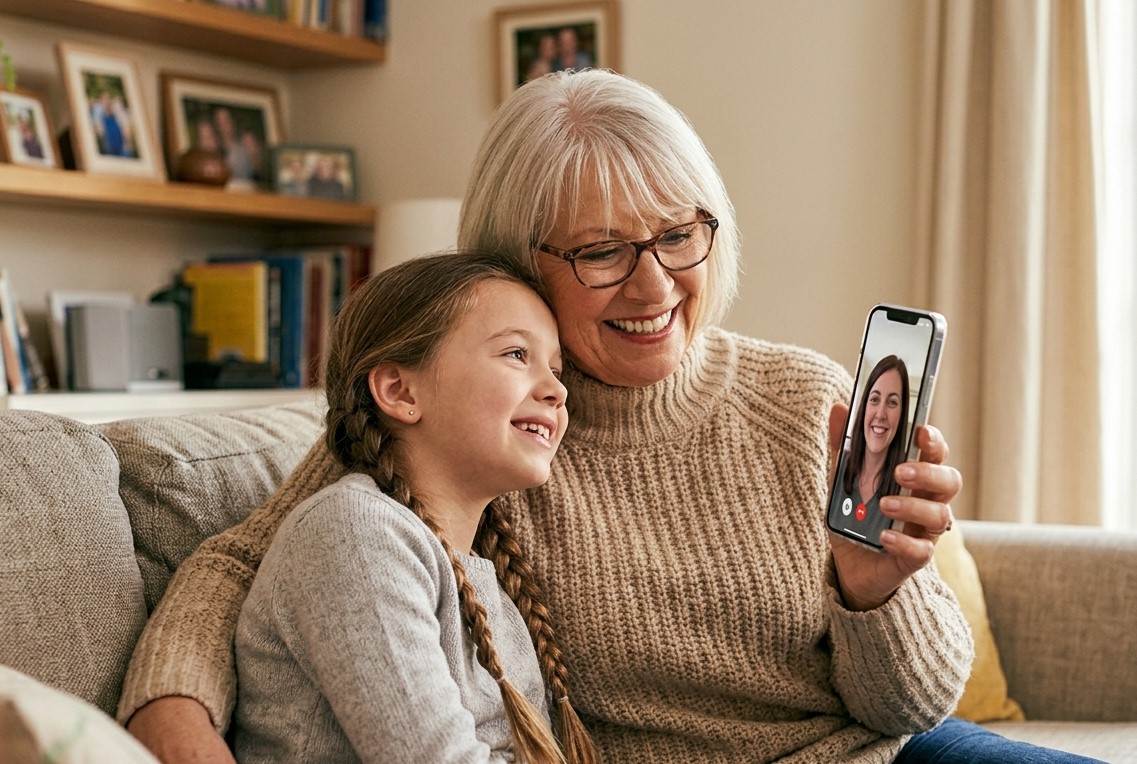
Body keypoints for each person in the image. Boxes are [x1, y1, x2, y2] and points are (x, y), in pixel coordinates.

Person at [120, 70, 1102, 763]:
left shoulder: (805, 400)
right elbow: (242, 558)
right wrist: (173, 714)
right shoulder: (485, 432)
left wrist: (874, 590)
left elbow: (910, 709)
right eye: (601, 250)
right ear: (514, 264)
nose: (656, 282)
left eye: (680, 234)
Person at [232, 251, 594, 763]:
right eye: (517, 354)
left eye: (556, 369)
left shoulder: (488, 575)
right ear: (401, 391)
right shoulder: (353, 533)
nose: (556, 389)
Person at [831, 354, 910, 542]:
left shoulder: (905, 486)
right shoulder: (836, 467)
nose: (881, 414)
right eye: (875, 399)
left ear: (902, 414)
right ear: (864, 406)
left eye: (892, 403)